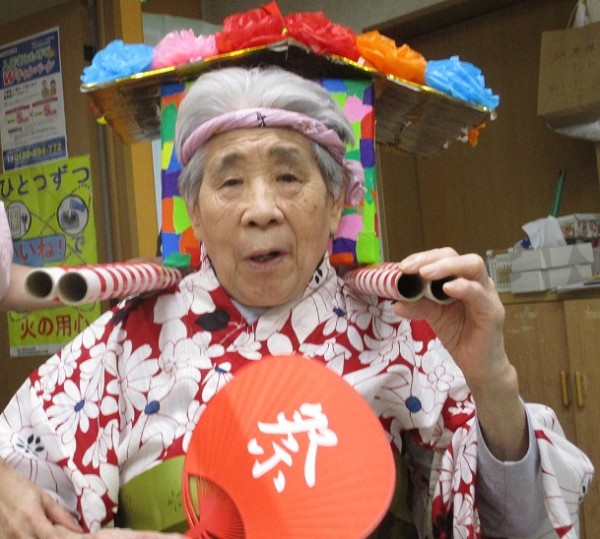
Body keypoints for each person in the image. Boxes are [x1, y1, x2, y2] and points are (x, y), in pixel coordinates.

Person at [0, 66, 593, 538]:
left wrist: (493, 380)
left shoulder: (401, 328)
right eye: (230, 182)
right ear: (195, 214)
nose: (261, 209)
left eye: (288, 177)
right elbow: (25, 491)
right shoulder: (128, 341)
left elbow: (516, 524)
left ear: (336, 205)